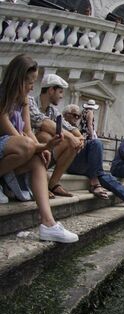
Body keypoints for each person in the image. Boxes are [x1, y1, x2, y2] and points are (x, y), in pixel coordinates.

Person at [0, 54, 78, 242]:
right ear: (17, 79)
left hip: (16, 149)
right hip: (7, 144)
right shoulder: (2, 95)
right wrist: (39, 145)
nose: (32, 87)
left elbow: (27, 129)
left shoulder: (24, 100)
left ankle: (48, 223)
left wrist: (42, 149)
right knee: (29, 146)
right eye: (29, 82)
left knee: (38, 159)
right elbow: (12, 133)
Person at [62, 105, 124, 209]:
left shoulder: (75, 129)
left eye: (78, 116)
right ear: (65, 115)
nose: (77, 118)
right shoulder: (61, 126)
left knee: (106, 177)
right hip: (70, 163)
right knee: (96, 143)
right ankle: (95, 183)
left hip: (83, 163)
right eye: (74, 115)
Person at [31, 73, 84, 198]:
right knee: (44, 135)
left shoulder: (53, 110)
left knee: (73, 144)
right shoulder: (30, 102)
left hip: (45, 154)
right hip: (29, 152)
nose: (61, 96)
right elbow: (43, 122)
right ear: (51, 90)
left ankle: (53, 183)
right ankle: (40, 183)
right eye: (60, 92)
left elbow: (69, 127)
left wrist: (79, 137)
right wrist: (71, 137)